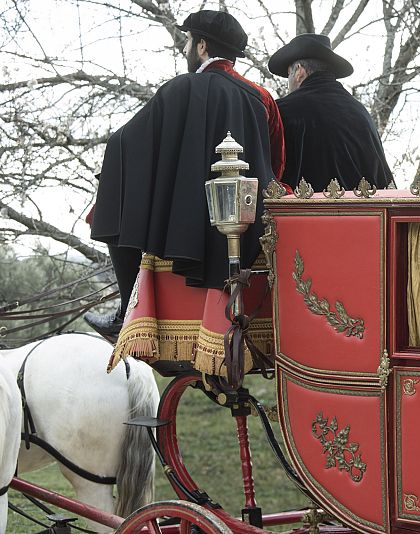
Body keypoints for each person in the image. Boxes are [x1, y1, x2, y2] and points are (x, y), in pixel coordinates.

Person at [85, 10, 285, 339]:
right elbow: (277, 166)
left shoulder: (180, 90)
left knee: (108, 209)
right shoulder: (261, 97)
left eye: (188, 41)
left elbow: (122, 143)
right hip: (249, 227)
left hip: (187, 227)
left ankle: (128, 309)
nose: (185, 49)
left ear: (202, 46)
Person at [267, 33, 393, 191]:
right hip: (363, 213)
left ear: (299, 71)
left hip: (302, 213)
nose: (289, 83)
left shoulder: (283, 111)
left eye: (288, 74)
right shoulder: (360, 111)